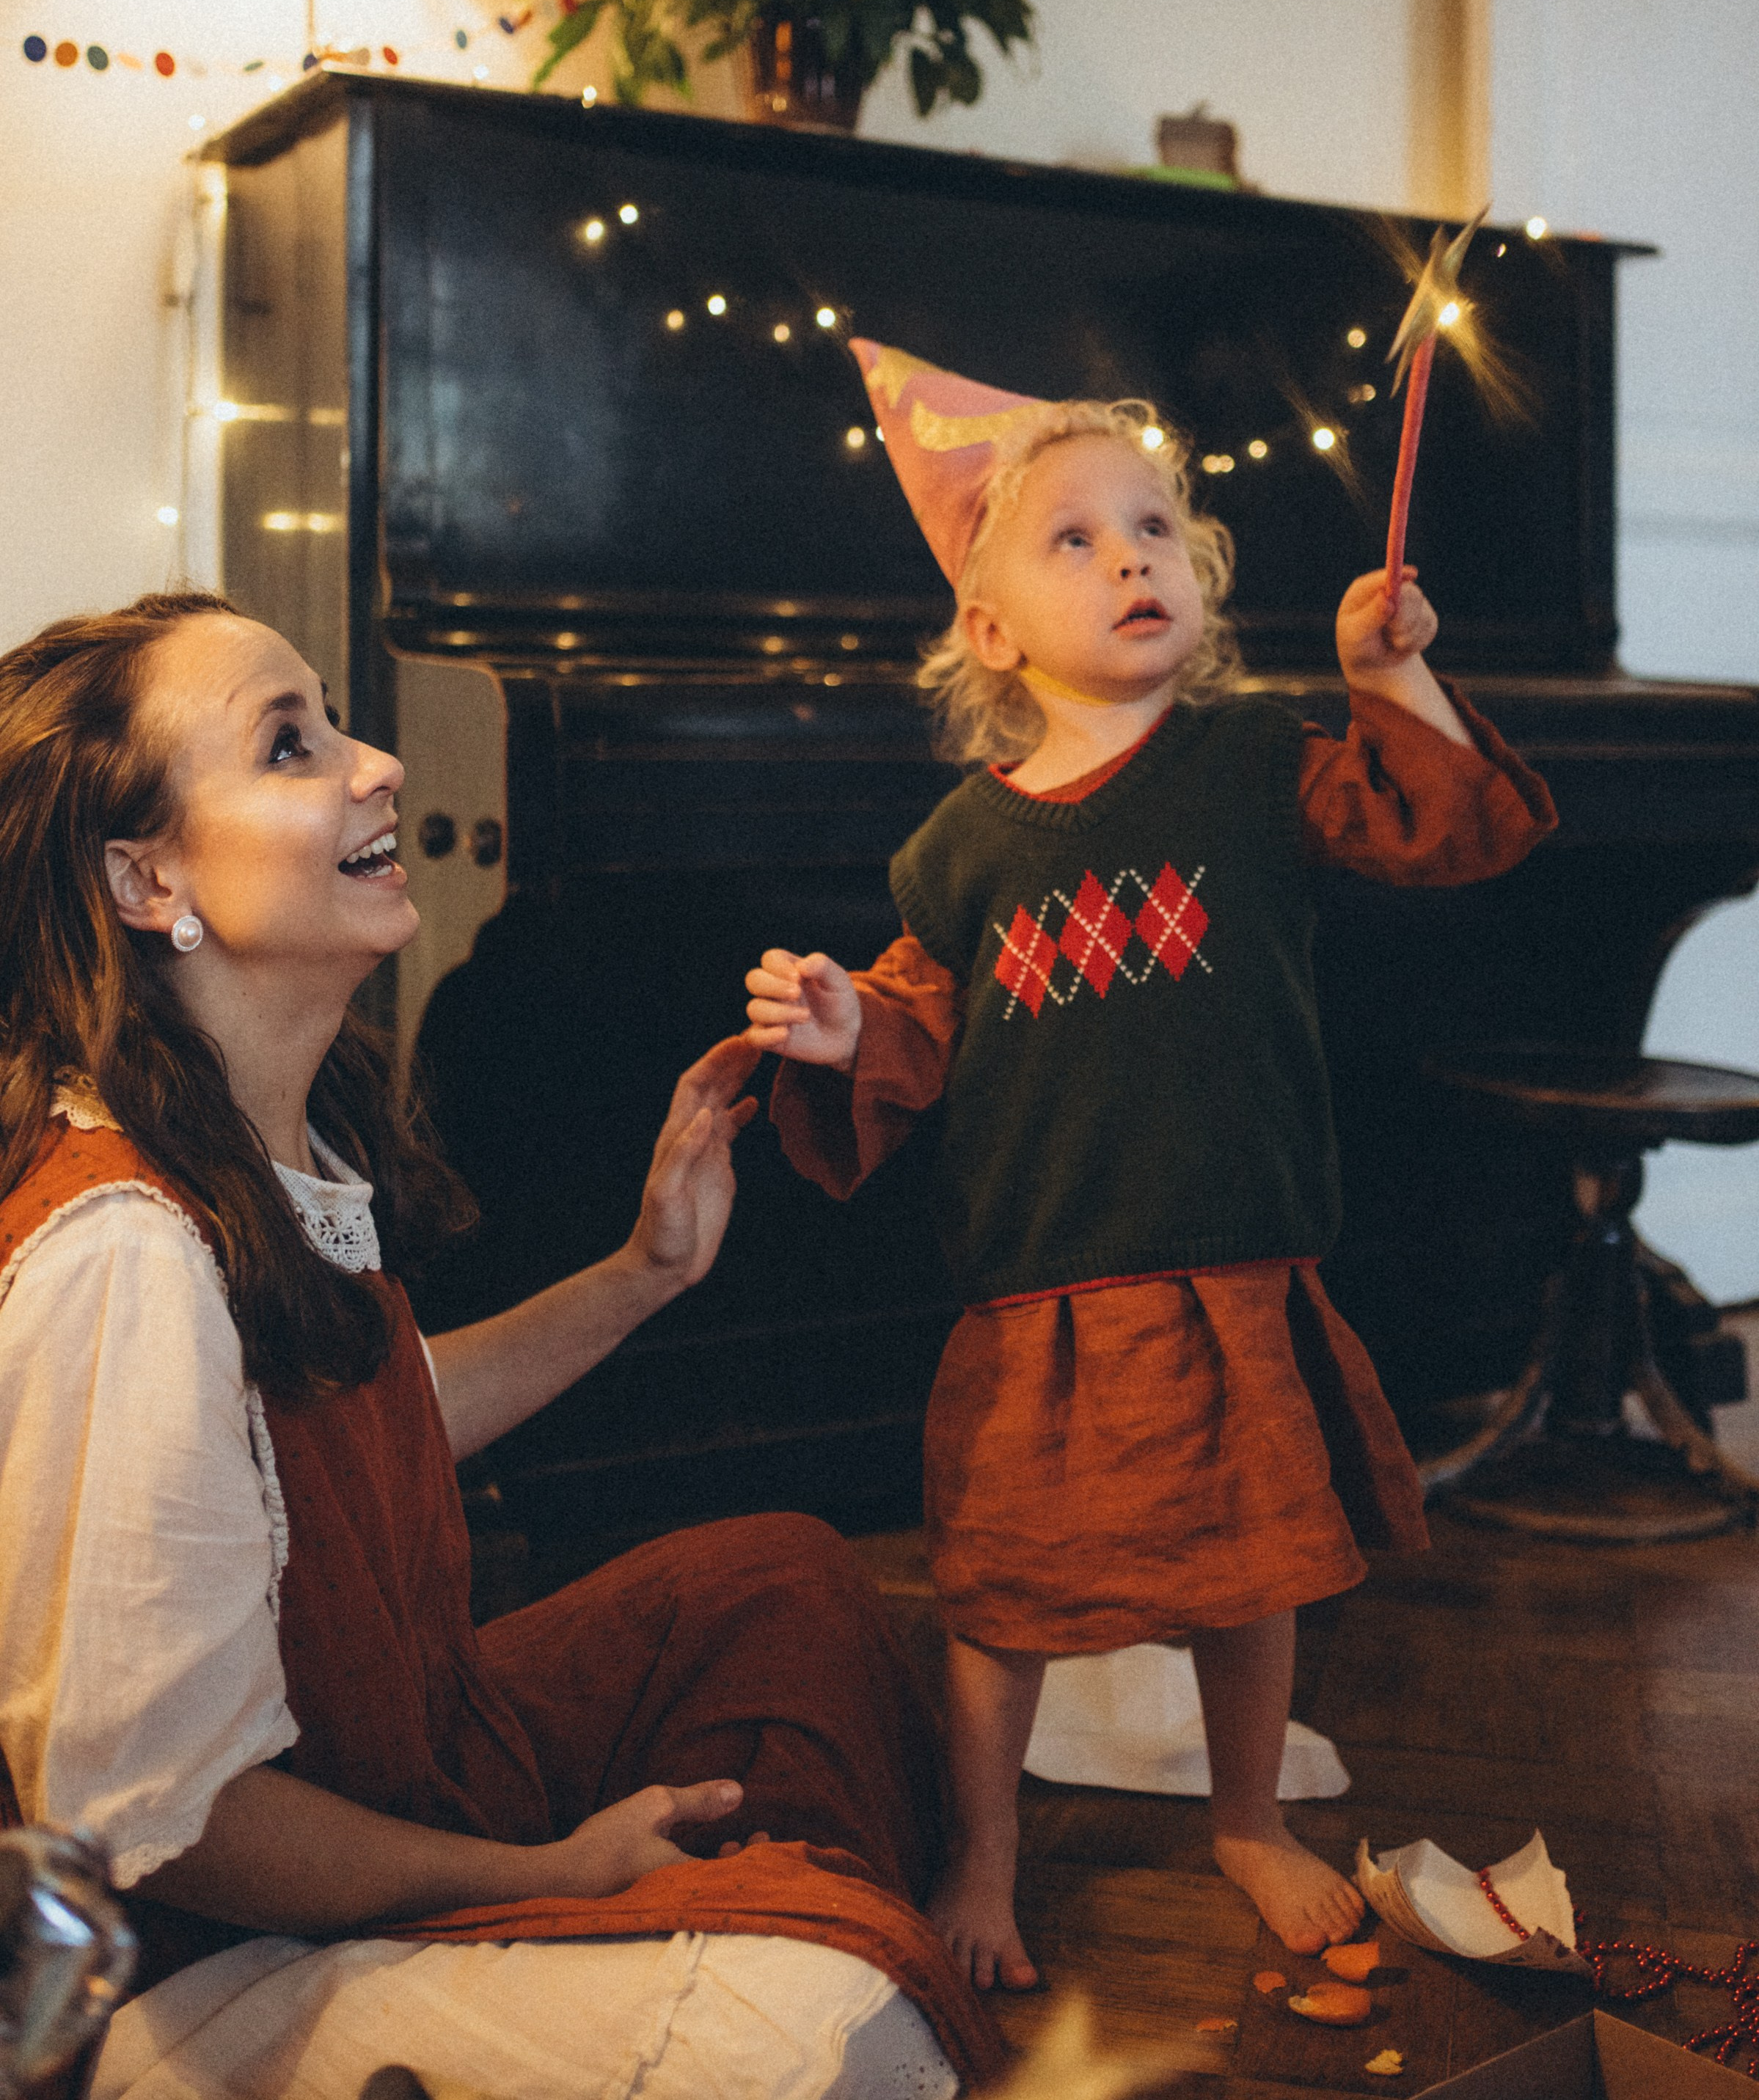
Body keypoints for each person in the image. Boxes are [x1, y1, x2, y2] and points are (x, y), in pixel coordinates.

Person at [0, 591, 1005, 2100]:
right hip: (206, 1954)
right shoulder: (123, 1251)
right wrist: (548, 1868)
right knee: (839, 2032)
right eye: (292, 744)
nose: (380, 763)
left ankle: (737, 1906)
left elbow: (368, 1427)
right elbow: (182, 1823)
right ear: (145, 876)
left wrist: (643, 1271)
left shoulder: (252, 1138)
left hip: (396, 1747)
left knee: (779, 1581)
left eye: (338, 718)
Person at [744, 346, 1557, 1991]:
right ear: (987, 633)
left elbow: (1440, 825)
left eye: (1155, 529)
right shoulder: (959, 849)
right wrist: (840, 1026)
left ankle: (1244, 1812)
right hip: (1042, 1279)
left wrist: (1383, 677)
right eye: (1076, 539)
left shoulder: (1255, 765)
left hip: (1232, 1255)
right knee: (1003, 1593)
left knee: (1246, 1569)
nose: (1131, 557)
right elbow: (916, 1027)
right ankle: (984, 1848)